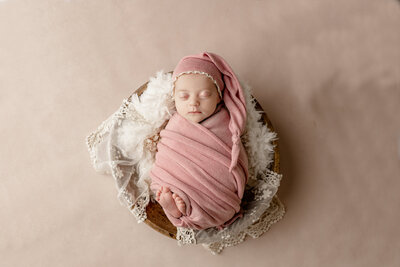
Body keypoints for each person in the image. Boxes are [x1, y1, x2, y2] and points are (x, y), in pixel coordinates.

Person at [149, 52, 249, 230]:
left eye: (204, 95)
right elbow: (168, 150)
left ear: (218, 97)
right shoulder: (176, 122)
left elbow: (237, 155)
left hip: (218, 195)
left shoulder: (227, 123)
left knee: (221, 182)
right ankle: (176, 208)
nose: (194, 103)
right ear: (174, 96)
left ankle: (182, 208)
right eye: (184, 96)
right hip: (177, 179)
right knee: (164, 184)